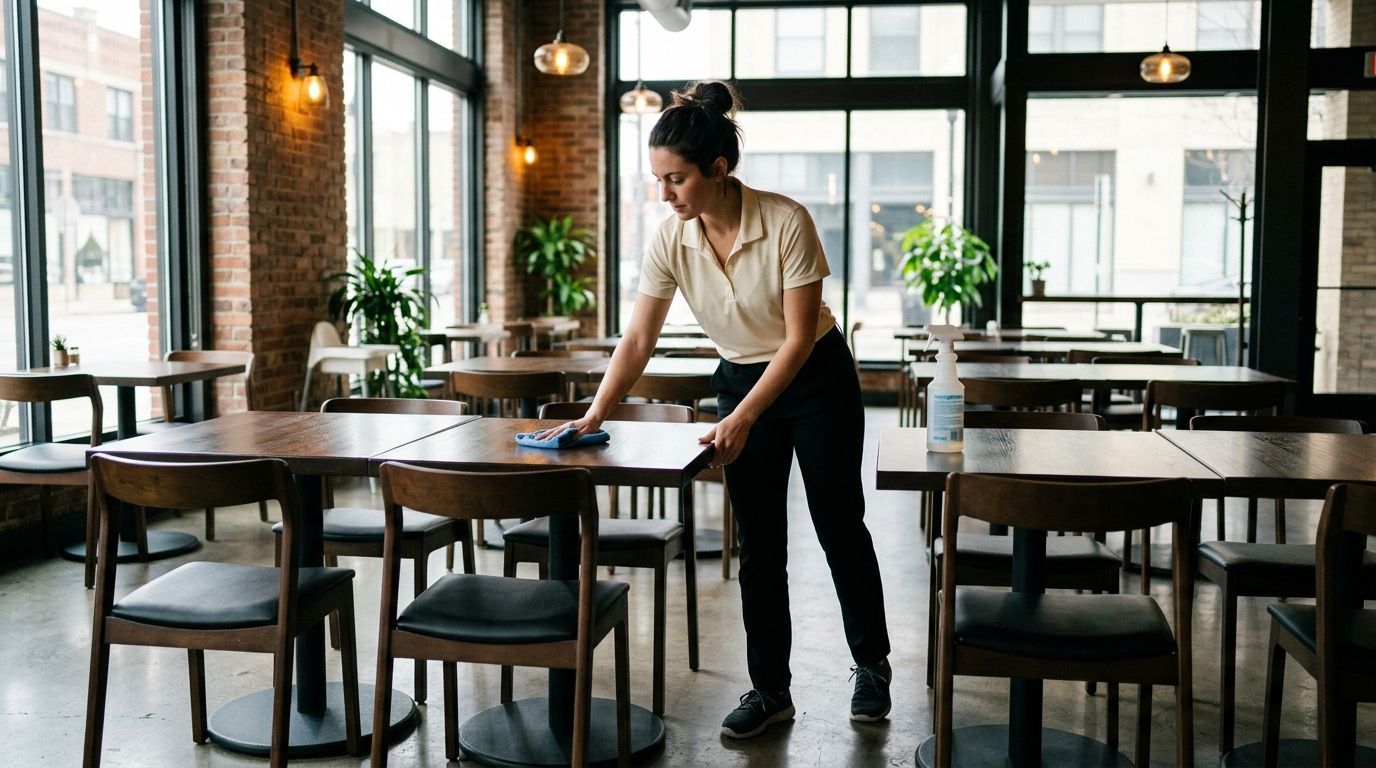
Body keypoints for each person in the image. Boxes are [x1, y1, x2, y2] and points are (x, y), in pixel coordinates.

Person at [535, 80, 891, 738]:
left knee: (839, 524)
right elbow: (638, 339)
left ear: (718, 170)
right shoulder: (672, 240)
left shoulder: (787, 221)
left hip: (814, 378)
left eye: (675, 180)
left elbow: (794, 340)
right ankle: (770, 690)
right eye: (658, 180)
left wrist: (746, 417)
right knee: (759, 545)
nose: (664, 195)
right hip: (739, 377)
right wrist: (594, 413)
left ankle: (871, 665)